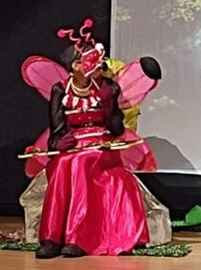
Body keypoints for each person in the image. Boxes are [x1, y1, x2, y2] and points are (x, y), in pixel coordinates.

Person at [35, 20, 150, 258]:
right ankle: (52, 238)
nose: (98, 69)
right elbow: (56, 131)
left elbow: (116, 128)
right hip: (74, 144)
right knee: (62, 165)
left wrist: (108, 104)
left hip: (101, 146)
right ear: (75, 66)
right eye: (90, 64)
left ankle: (78, 238)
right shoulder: (60, 90)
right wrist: (61, 143)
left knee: (82, 162)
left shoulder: (108, 87)